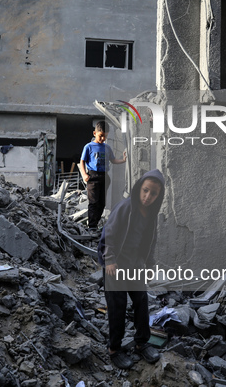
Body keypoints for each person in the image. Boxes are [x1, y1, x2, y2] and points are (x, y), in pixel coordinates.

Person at [97, 169, 165, 369]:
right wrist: (109, 259)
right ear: (138, 189)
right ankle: (114, 349)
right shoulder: (125, 207)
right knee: (117, 306)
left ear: (158, 196)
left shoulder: (152, 215)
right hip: (116, 265)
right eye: (145, 191)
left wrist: (149, 265)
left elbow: (151, 242)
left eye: (153, 194)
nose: (147, 197)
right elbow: (109, 232)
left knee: (141, 302)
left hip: (135, 266)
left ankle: (141, 343)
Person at [78, 120, 127, 231]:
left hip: (105, 177)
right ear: (94, 133)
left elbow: (113, 160)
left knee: (102, 203)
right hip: (92, 177)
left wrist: (123, 160)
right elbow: (82, 161)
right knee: (93, 202)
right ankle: (92, 226)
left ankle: (96, 223)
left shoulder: (107, 148)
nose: (103, 139)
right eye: (101, 136)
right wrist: (84, 174)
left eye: (105, 136)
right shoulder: (88, 147)